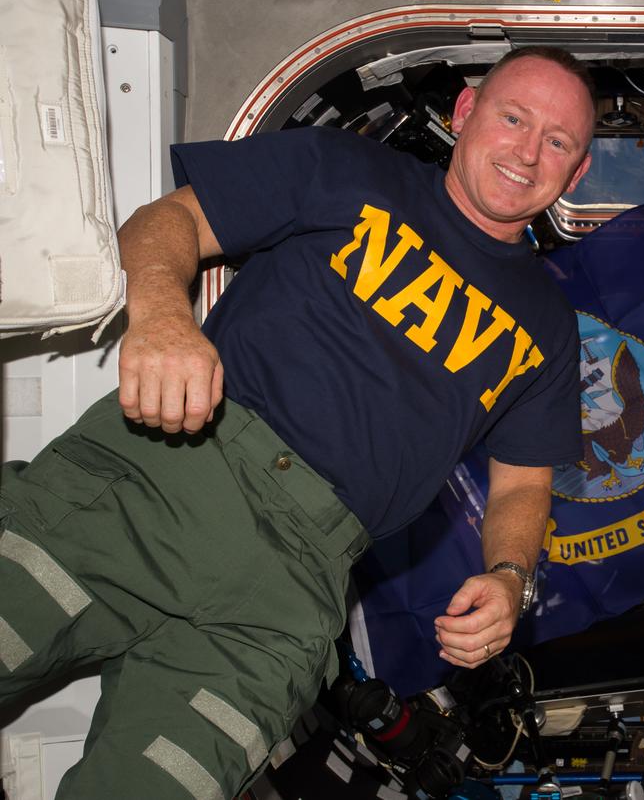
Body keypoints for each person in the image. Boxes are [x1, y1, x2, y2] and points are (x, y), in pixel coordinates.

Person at [0, 46, 596, 799]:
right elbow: (169, 220)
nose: (528, 151)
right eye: (515, 117)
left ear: (574, 176)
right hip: (160, 479)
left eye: (558, 141)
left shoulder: (548, 323)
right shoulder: (344, 166)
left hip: (285, 597)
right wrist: (161, 316)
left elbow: (523, 483)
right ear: (466, 112)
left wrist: (511, 577)